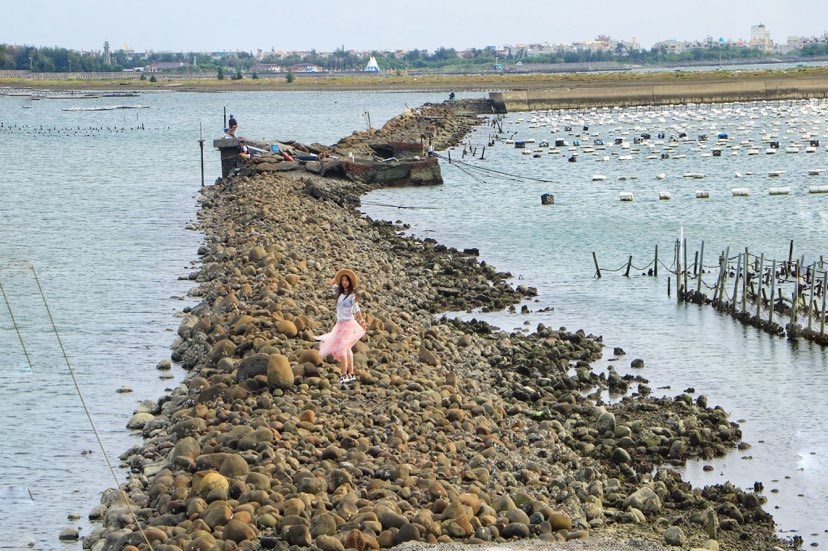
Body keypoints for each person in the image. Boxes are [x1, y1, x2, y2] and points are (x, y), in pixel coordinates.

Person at [316, 269, 367, 383]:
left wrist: (362, 320)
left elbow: (357, 309)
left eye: (346, 280)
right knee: (347, 348)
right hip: (339, 324)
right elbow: (331, 283)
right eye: (343, 280)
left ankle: (344, 375)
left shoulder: (352, 296)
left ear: (350, 282)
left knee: (343, 348)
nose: (344, 282)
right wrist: (338, 276)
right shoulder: (339, 292)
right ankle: (351, 374)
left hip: (348, 324)